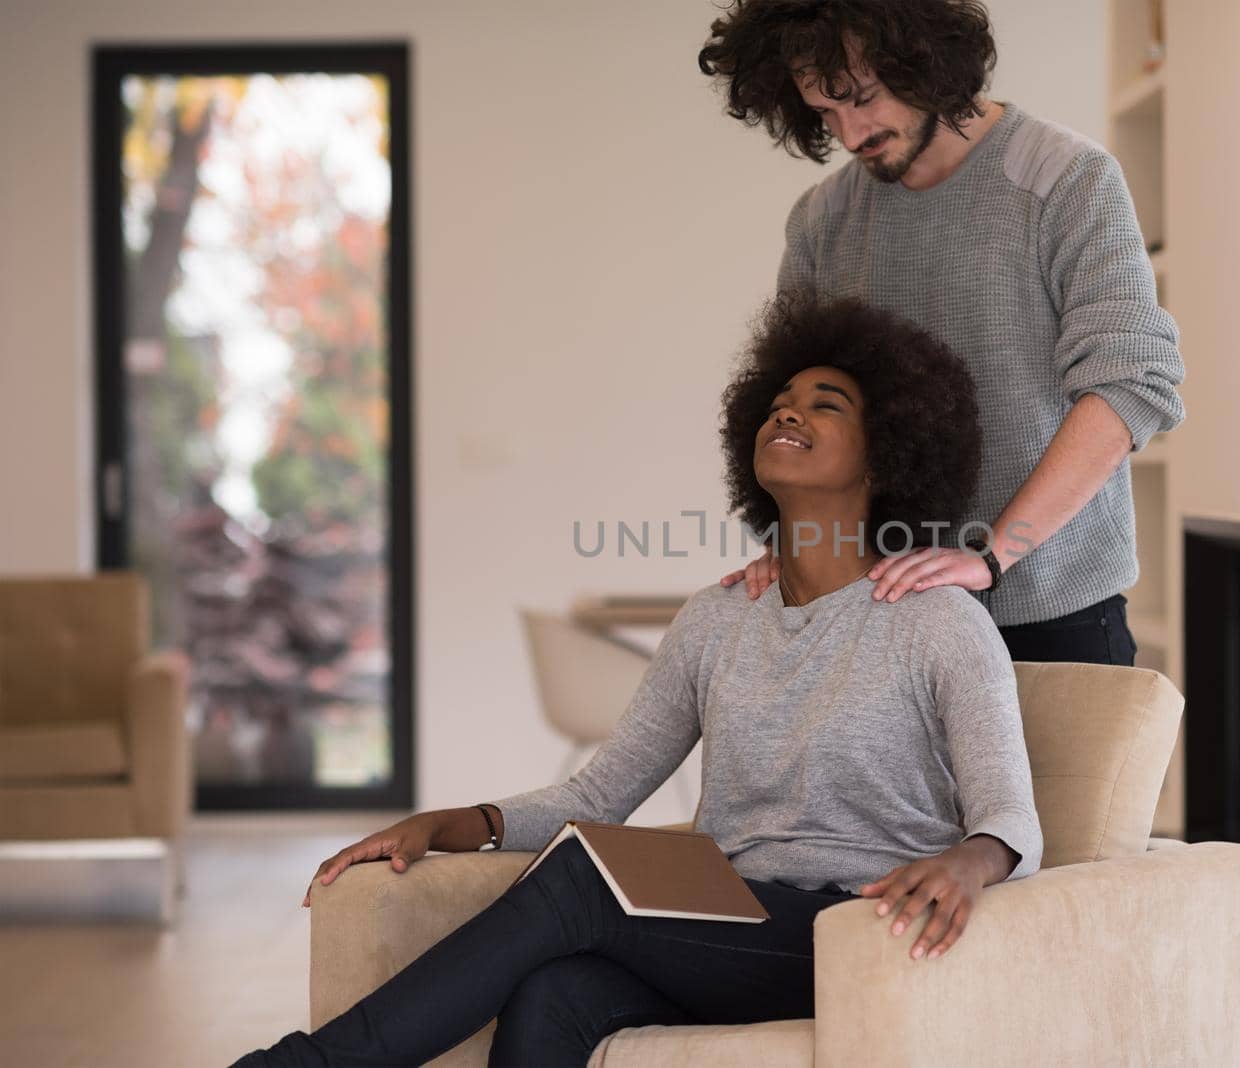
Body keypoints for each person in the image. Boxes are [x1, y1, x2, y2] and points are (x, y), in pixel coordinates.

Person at [233, 292, 1043, 1067]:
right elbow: (594, 798)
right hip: (724, 925)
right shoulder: (715, 620)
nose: (788, 412)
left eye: (827, 403)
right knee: (553, 995)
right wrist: (449, 822)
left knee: (588, 880)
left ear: (889, 455)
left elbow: (1009, 819)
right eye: (780, 400)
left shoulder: (935, 619)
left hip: (860, 931)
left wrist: (967, 865)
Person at [699, 0, 1185, 665]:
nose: (849, 132)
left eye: (863, 98)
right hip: (878, 616)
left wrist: (992, 554)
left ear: (923, 58)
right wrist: (790, 549)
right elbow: (800, 405)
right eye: (824, 112)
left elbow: (1130, 384)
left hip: (1050, 618)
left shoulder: (1065, 179)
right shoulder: (823, 221)